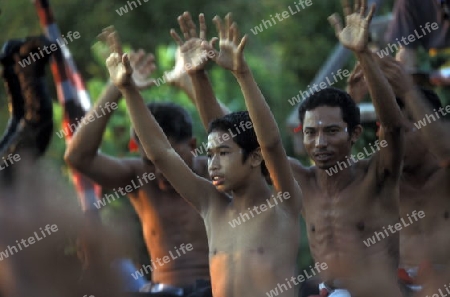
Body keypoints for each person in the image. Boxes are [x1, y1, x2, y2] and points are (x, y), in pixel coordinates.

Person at [186, 2, 404, 295]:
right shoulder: (299, 179)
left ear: (354, 134)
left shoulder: (377, 176)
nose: (320, 142)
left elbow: (393, 127)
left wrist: (363, 54)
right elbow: (230, 135)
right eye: (311, 133)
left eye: (331, 131)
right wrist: (198, 76)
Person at [106, 11, 302, 296]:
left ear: (255, 157)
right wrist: (128, 90)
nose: (213, 164)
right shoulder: (212, 204)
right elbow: (161, 153)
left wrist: (242, 73)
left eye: (223, 153)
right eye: (210, 154)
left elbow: (271, 143)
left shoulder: (283, 202)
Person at [64, 27, 211, 296]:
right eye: (151, 161)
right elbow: (78, 157)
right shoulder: (138, 177)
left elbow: (243, 139)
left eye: (170, 161)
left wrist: (191, 82)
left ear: (192, 146)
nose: (159, 171)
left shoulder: (215, 173)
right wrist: (117, 87)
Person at [362, 55, 450, 295]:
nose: (390, 142)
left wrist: (409, 91)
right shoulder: (380, 179)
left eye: (402, 132)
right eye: (386, 133)